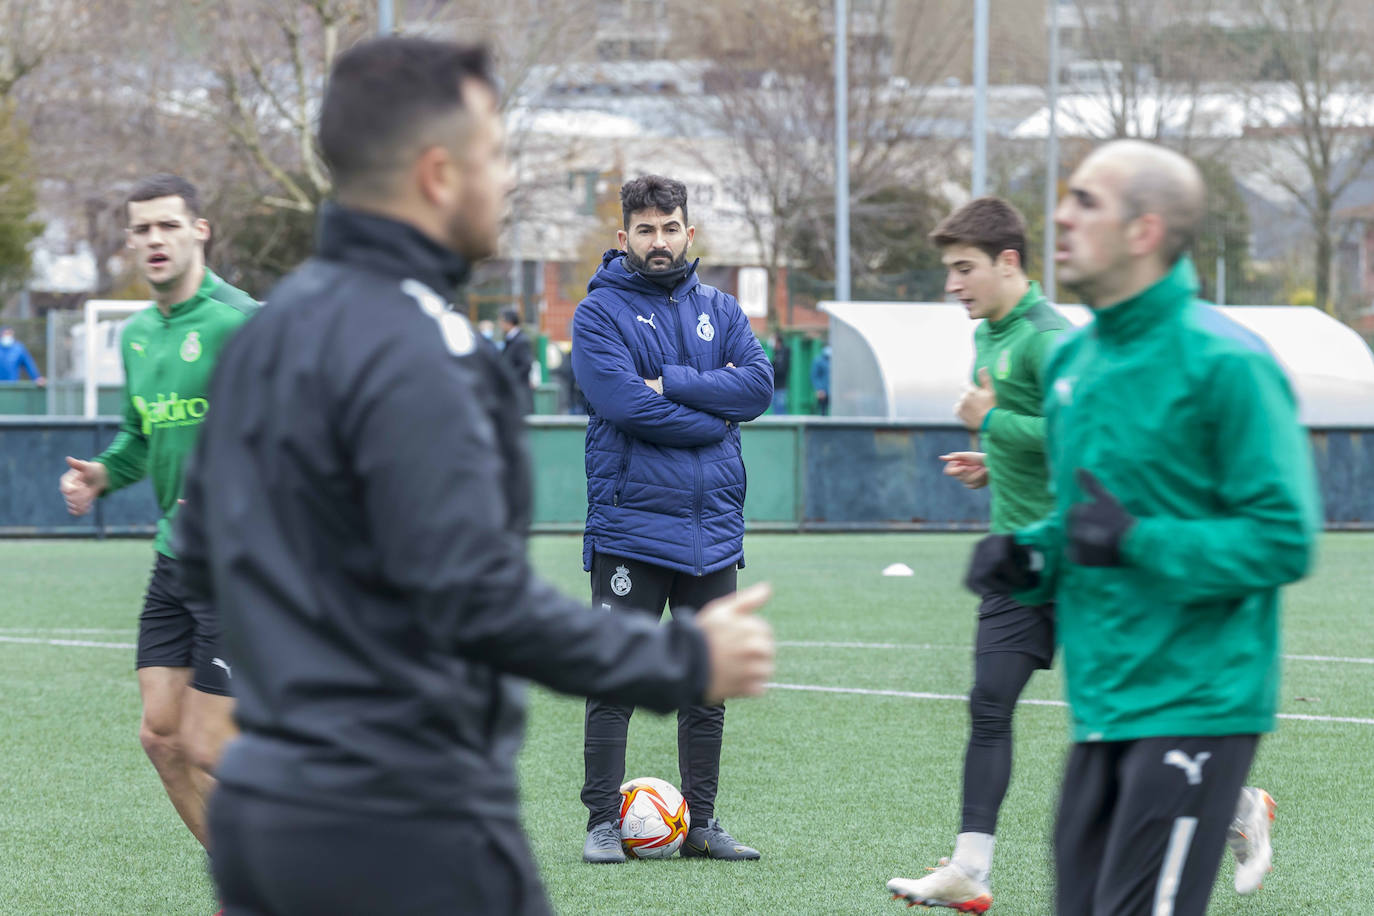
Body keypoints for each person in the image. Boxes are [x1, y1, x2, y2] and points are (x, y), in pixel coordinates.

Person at [173, 39, 775, 916]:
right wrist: (680, 657)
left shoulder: (266, 333)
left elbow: (201, 555)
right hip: (415, 828)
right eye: (495, 155)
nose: (506, 182)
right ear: (436, 173)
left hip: (270, 819)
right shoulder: (432, 352)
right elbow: (481, 603)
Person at [965, 139, 1318, 915]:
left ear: (1144, 231)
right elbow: (1086, 518)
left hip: (1199, 701)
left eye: (1086, 201)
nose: (1061, 215)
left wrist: (1138, 541)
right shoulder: (1074, 366)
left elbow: (1285, 536)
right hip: (1105, 705)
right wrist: (1030, 557)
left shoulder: (1228, 363)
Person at [571, 174, 773, 863]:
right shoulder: (598, 315)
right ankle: (602, 822)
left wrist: (679, 384)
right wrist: (715, 421)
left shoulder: (721, 306)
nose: (660, 241)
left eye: (670, 227)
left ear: (690, 232)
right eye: (646, 229)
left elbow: (759, 386)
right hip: (632, 527)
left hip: (712, 529)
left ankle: (705, 824)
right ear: (624, 237)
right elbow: (626, 406)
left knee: (705, 680)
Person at [57, 174, 256, 862]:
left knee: (208, 742)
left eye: (168, 225)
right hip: (174, 559)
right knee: (163, 741)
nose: (154, 240)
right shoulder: (139, 334)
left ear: (199, 232)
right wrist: (103, 474)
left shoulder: (241, 322)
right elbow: (140, 436)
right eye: (142, 229)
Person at [887, 197, 1069, 912]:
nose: (953, 284)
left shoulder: (1052, 339)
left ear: (1009, 263)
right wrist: (993, 460)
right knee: (989, 703)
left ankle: (1236, 805)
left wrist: (991, 420)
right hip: (1016, 558)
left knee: (1127, 721)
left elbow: (1084, 435)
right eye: (949, 270)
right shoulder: (989, 334)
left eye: (965, 269)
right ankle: (969, 867)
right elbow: (1030, 437)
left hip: (1080, 555)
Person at [500, 305, 535, 412]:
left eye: (501, 320)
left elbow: (526, 365)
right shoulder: (511, 339)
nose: (500, 324)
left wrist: (510, 378)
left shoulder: (521, 340)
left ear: (509, 322)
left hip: (520, 392)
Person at [769, 331, 790, 414]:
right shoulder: (777, 353)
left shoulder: (783, 353)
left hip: (780, 387)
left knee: (780, 412)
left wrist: (770, 369)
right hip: (775, 387)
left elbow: (781, 369)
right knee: (776, 411)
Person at [810, 343, 831, 415]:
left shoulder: (836, 360)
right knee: (823, 412)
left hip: (834, 392)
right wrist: (819, 389)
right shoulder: (818, 361)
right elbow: (814, 376)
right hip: (823, 392)